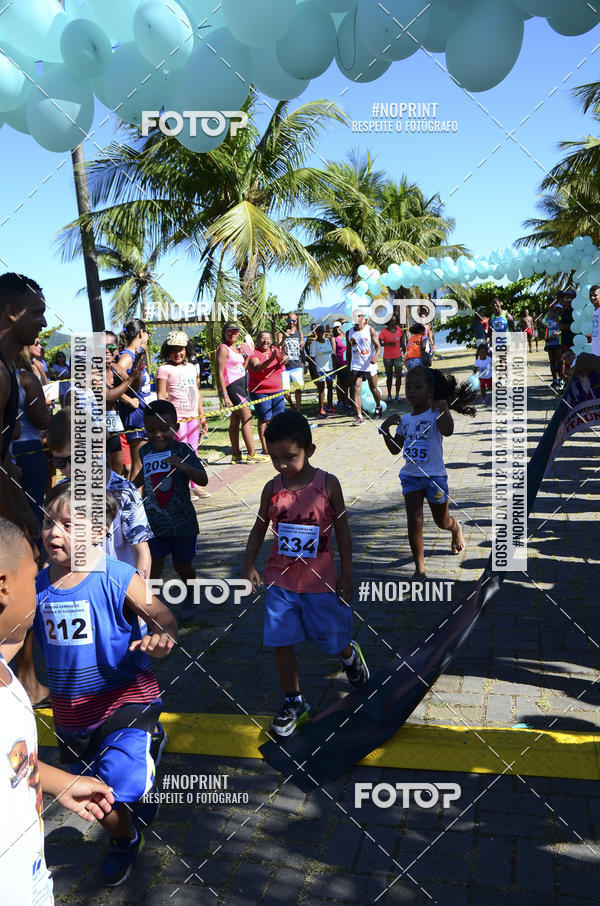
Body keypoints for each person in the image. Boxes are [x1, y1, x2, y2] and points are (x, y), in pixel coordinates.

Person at [33, 482, 177, 887]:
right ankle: (127, 834)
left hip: (125, 699)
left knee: (124, 781)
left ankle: (127, 828)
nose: (53, 533)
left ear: (99, 531)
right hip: (73, 715)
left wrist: (161, 636)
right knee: (99, 796)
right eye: (48, 522)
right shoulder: (39, 585)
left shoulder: (117, 575)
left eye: (66, 524)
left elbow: (161, 615)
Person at [0, 517, 115, 905]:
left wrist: (61, 783)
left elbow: (12, 761)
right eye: (34, 575)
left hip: (30, 876)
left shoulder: (2, 660)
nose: (39, 587)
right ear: (3, 586)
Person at [242, 411, 369, 737]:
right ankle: (294, 701)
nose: (282, 465)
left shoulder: (328, 484)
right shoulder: (272, 489)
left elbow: (343, 530)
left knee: (331, 640)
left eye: (290, 457)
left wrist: (347, 573)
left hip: (320, 582)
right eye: (274, 458)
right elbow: (258, 528)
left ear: (309, 450)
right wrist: (248, 564)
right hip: (279, 581)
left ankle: (349, 654)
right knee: (281, 641)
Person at [379, 367, 475, 579]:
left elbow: (448, 431)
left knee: (442, 521)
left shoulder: (435, 413)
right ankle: (420, 568)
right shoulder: (404, 420)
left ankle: (456, 527)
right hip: (411, 477)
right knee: (414, 521)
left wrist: (444, 409)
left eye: (418, 387)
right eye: (408, 387)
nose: (411, 391)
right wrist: (386, 430)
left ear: (430, 391)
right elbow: (396, 449)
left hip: (435, 478)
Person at [46, 407, 154, 579]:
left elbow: (142, 552)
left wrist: (141, 590)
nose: (69, 469)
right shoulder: (59, 494)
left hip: (120, 588)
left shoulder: (123, 492)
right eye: (60, 462)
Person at [133, 401, 208, 605]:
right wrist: (128, 488)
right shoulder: (145, 451)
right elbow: (143, 475)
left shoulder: (183, 450)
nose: (157, 435)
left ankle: (191, 593)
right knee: (153, 564)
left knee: (182, 564)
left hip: (182, 522)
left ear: (175, 426)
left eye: (164, 429)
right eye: (151, 430)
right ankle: (152, 604)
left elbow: (203, 479)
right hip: (154, 521)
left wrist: (182, 466)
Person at [156, 329, 209, 499]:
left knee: (193, 451)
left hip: (193, 416)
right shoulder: (164, 369)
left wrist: (202, 416)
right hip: (176, 418)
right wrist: (164, 420)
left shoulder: (193, 368)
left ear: (187, 350)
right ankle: (182, 487)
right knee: (180, 451)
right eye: (173, 350)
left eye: (181, 349)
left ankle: (196, 485)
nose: (177, 353)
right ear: (167, 351)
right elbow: (161, 397)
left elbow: (197, 392)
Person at [12, 350, 51, 531]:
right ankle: (35, 552)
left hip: (6, 447)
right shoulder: (25, 378)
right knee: (33, 504)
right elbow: (40, 418)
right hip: (27, 447)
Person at [216, 322, 265, 464]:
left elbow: (241, 367)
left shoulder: (237, 348)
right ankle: (251, 454)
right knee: (247, 417)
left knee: (235, 420)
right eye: (230, 331)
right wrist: (224, 395)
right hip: (232, 386)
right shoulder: (223, 349)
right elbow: (219, 373)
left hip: (241, 384)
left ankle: (236, 455)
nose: (233, 333)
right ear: (224, 332)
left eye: (236, 331)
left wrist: (248, 354)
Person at [117, 319, 152, 481]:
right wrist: (127, 399)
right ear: (140, 333)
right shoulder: (127, 357)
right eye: (147, 333)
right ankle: (133, 503)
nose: (148, 337)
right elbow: (108, 383)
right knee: (138, 466)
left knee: (142, 464)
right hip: (134, 415)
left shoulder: (136, 355)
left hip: (142, 413)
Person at [105, 330, 144, 476]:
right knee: (104, 470)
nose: (107, 352)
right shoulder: (93, 371)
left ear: (116, 350)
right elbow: (108, 396)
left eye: (111, 348)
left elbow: (133, 389)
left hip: (113, 422)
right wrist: (131, 377)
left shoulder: (115, 368)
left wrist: (138, 369)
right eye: (102, 347)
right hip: (95, 426)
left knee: (118, 468)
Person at [247, 330, 288, 454]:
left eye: (268, 338)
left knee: (278, 419)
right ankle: (265, 448)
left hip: (277, 390)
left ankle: (278, 445)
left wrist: (283, 357)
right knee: (264, 419)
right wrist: (271, 359)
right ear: (257, 340)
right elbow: (257, 368)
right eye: (262, 338)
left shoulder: (274, 349)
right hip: (260, 391)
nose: (265, 341)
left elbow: (284, 361)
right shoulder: (253, 353)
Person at [346, 310, 382, 425]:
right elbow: (348, 351)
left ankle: (378, 405)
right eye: (354, 316)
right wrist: (348, 366)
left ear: (362, 317)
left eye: (358, 316)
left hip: (369, 365)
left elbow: (378, 347)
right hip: (357, 365)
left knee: (374, 389)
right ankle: (359, 416)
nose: (356, 318)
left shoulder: (369, 329)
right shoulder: (349, 332)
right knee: (356, 390)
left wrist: (375, 357)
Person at [277, 313, 304, 413]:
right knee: (285, 390)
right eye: (289, 320)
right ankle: (292, 406)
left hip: (297, 364)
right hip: (285, 366)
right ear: (287, 321)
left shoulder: (299, 333)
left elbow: (301, 349)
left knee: (298, 389)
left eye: (293, 321)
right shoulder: (281, 333)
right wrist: (284, 337)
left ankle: (298, 410)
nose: (291, 323)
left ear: (296, 321)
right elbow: (278, 347)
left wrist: (304, 363)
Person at [308, 324, 334, 417]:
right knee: (321, 389)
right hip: (320, 370)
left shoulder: (327, 341)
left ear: (323, 332)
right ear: (316, 333)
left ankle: (330, 406)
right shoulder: (314, 343)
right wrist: (314, 372)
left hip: (329, 368)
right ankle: (321, 408)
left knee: (330, 388)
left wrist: (334, 367)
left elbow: (332, 354)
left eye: (321, 331)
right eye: (318, 331)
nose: (320, 333)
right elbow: (312, 359)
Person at [379, 314, 405, 402]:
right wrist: (387, 344)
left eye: (395, 320)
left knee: (399, 375)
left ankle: (397, 395)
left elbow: (401, 341)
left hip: (398, 356)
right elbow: (378, 343)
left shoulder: (399, 330)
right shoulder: (383, 331)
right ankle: (389, 395)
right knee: (389, 376)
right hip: (387, 358)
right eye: (391, 321)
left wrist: (404, 348)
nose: (393, 322)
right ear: (388, 322)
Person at [330, 321, 350, 411]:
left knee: (350, 384)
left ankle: (348, 401)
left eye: (338, 327)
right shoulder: (333, 338)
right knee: (342, 384)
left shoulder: (346, 336)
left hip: (349, 363)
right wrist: (335, 366)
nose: (337, 329)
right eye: (335, 328)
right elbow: (333, 353)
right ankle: (344, 402)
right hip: (340, 365)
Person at [543, 301, 563, 390]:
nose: (550, 305)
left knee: (559, 362)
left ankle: (561, 381)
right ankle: (554, 381)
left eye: (551, 303)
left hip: (558, 342)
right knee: (552, 362)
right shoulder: (546, 316)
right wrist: (546, 341)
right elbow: (547, 329)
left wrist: (557, 334)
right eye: (548, 303)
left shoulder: (559, 314)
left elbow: (564, 328)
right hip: (550, 342)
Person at [590, 285, 600, 356]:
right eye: (590, 295)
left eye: (595, 295)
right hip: (595, 350)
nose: (592, 297)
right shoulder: (595, 311)